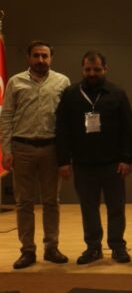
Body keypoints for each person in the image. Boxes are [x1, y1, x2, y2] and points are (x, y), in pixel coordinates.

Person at [55, 50, 132, 264]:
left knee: (116, 208)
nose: (92, 73)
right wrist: (63, 161)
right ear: (82, 70)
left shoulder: (117, 93)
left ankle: (118, 246)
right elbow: (62, 129)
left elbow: (128, 129)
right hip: (82, 165)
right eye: (88, 69)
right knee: (88, 208)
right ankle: (93, 248)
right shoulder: (71, 94)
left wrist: (126, 159)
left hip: (113, 165)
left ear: (105, 69)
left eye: (97, 69)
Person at [0, 40, 70, 269]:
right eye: (36, 56)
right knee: (24, 203)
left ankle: (52, 247)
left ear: (51, 58)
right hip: (22, 149)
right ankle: (27, 251)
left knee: (52, 201)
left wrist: (65, 155)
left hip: (51, 149)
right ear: (28, 58)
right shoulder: (15, 82)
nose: (41, 60)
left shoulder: (62, 82)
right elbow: (6, 116)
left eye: (45, 56)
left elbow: (67, 121)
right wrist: (7, 150)